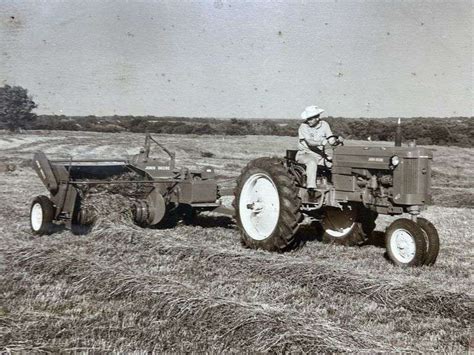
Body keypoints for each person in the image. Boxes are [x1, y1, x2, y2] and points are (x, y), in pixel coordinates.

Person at [296, 105, 333, 197]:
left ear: (317, 118)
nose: (308, 121)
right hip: (305, 154)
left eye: (311, 119)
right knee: (312, 162)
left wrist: (335, 141)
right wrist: (322, 142)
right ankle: (311, 189)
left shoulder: (324, 125)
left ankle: (332, 186)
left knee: (332, 163)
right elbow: (310, 142)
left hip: (320, 155)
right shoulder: (303, 126)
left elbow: (330, 138)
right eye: (307, 119)